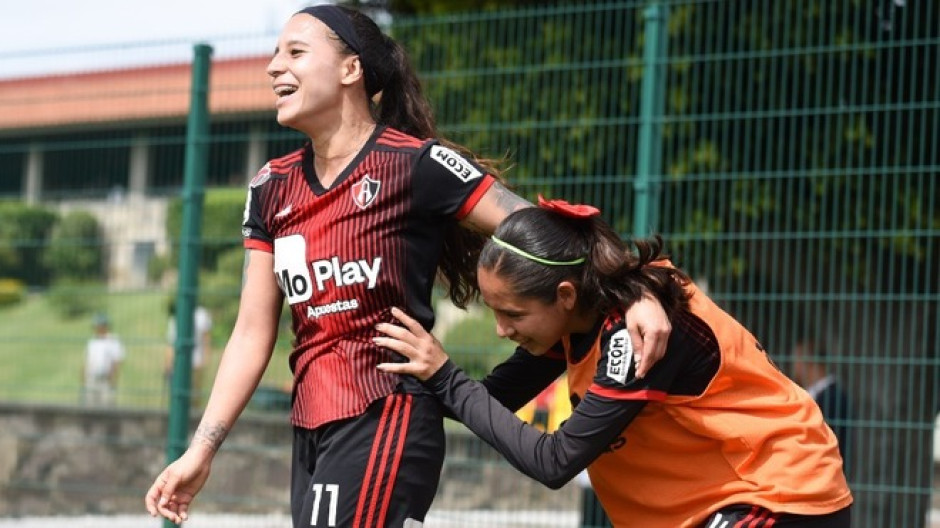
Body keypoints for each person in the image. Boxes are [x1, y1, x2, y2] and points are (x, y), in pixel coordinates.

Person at [144, 6, 672, 527]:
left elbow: (547, 231)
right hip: (311, 425)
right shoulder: (270, 187)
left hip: (386, 414)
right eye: (275, 53)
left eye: (295, 52)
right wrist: (202, 449)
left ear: (351, 70)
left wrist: (636, 289)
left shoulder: (416, 163)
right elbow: (251, 333)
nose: (274, 66)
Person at [375, 196, 854, 527]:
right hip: (714, 507)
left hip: (775, 491)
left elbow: (554, 460)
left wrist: (445, 373)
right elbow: (483, 401)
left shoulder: (634, 336)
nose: (501, 329)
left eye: (512, 313)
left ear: (564, 295)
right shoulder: (575, 322)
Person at [790, 338, 852, 464]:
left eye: (797, 361)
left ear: (809, 361)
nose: (794, 366)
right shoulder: (814, 394)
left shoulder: (833, 397)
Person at [165, 302, 213, 405]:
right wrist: (168, 365)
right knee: (179, 395)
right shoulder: (176, 317)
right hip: (179, 363)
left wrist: (206, 357)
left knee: (195, 393)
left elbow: (206, 338)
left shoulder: (201, 314)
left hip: (197, 362)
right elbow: (171, 343)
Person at [82, 312, 125, 407]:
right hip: (91, 378)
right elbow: (87, 360)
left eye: (98, 326)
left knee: (106, 405)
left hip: (105, 379)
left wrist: (113, 377)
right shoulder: (92, 341)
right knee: (89, 405)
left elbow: (117, 360)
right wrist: (84, 377)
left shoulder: (113, 340)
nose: (96, 328)